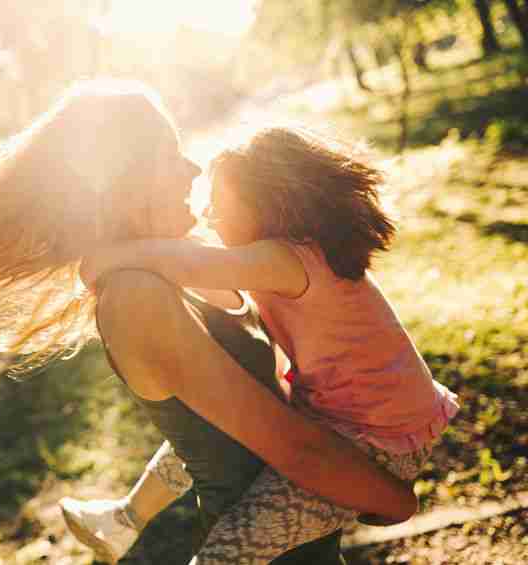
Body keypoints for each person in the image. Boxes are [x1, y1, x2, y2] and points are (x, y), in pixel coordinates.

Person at [0, 80, 418, 564]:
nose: (191, 169)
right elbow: (295, 448)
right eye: (168, 154)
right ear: (123, 182)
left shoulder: (182, 264)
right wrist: (392, 496)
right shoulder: (134, 297)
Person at [73, 124, 461, 563]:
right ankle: (125, 518)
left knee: (227, 552)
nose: (209, 217)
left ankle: (129, 520)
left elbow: (192, 263)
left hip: (373, 439)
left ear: (264, 203)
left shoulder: (284, 258)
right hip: (376, 421)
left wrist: (111, 258)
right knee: (211, 425)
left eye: (218, 206)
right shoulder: (302, 254)